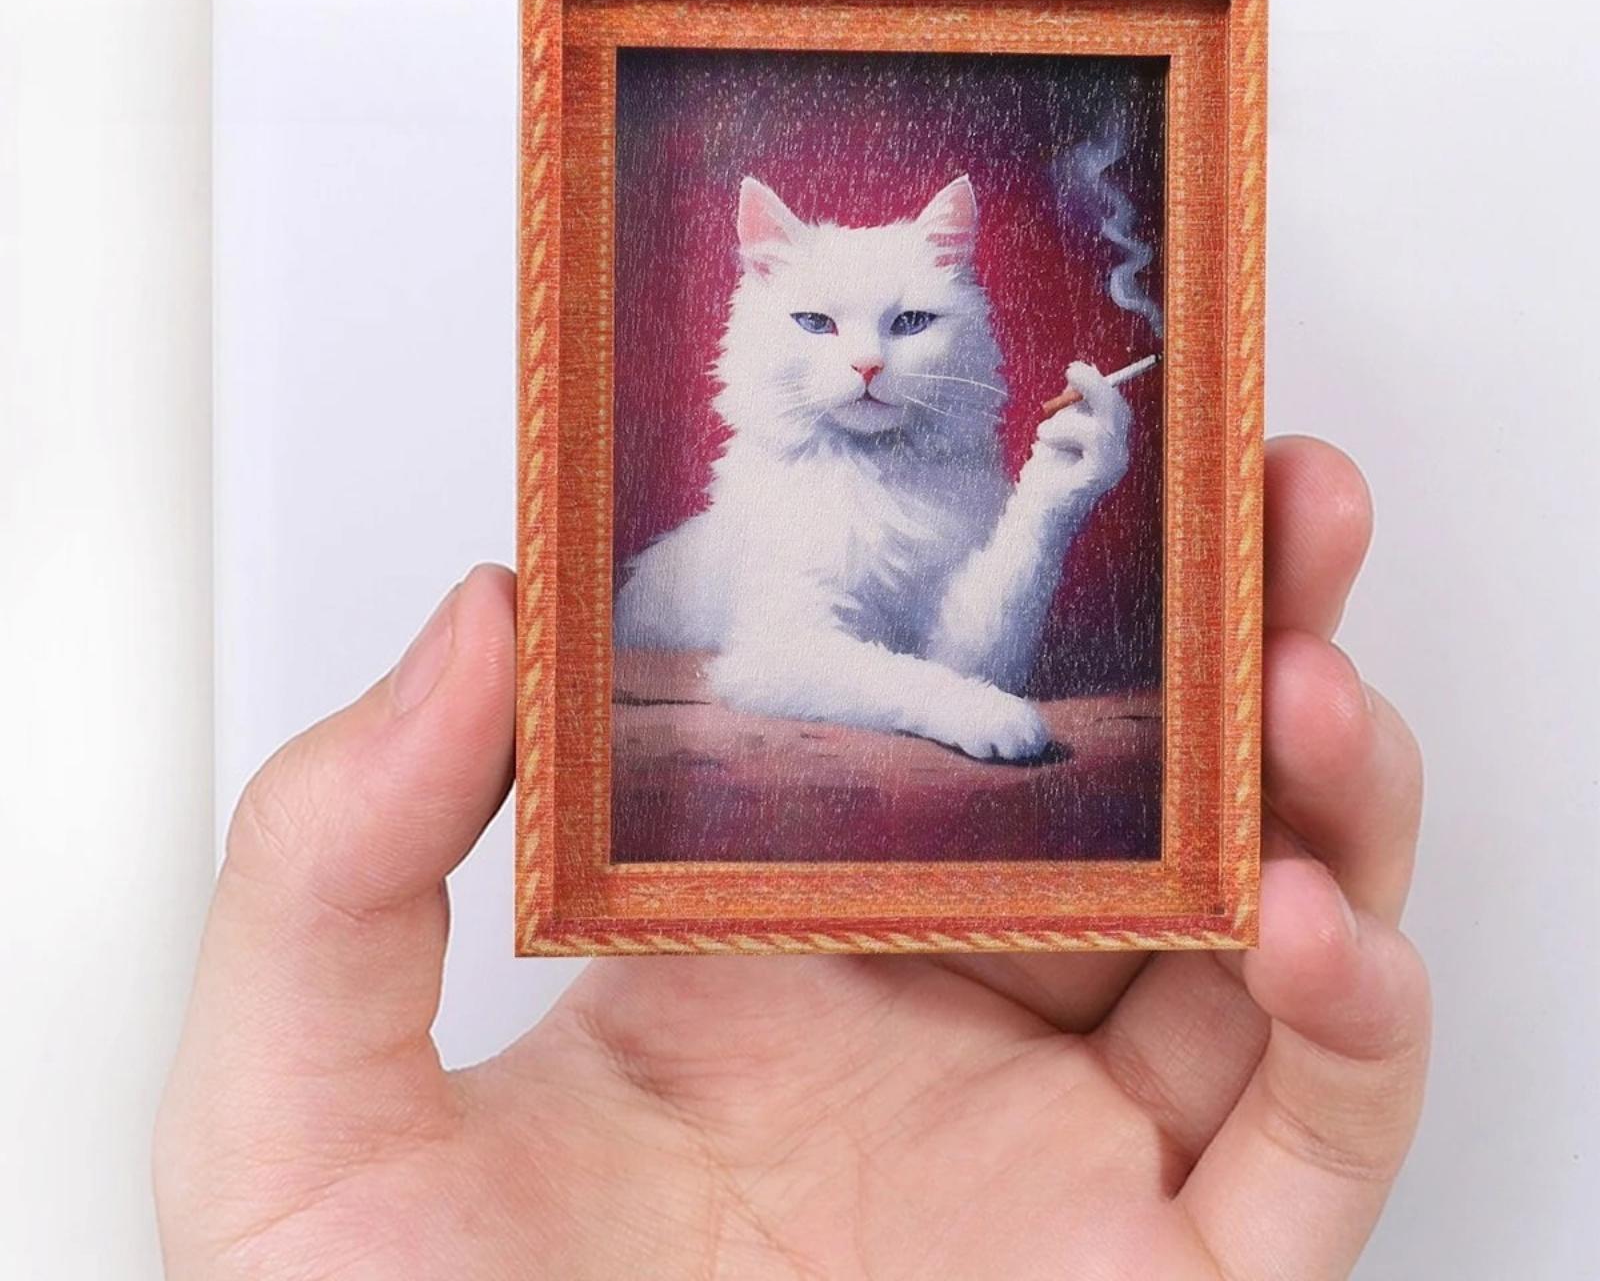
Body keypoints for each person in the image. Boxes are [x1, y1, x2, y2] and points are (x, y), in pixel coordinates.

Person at [154, 438, 1428, 1278]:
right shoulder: (775, 496)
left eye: (911, 321)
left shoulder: (946, 476)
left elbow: (968, 658)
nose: (866, 357)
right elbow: (775, 662)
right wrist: (948, 707)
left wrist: (1041, 508)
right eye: (817, 321)